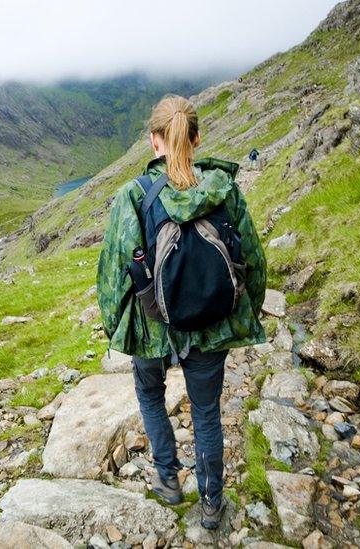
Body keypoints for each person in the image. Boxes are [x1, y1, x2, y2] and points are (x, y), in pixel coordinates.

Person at [97, 95, 267, 530]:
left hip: (152, 326)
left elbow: (115, 274)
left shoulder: (132, 196)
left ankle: (168, 482)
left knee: (151, 396)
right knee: (206, 412)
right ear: (196, 138)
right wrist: (248, 314)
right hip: (212, 322)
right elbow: (253, 260)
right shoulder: (224, 190)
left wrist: (117, 328)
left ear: (155, 141)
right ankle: (212, 506)